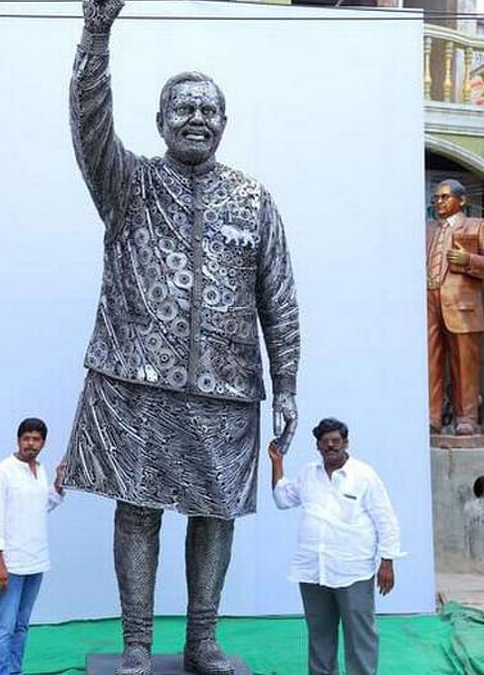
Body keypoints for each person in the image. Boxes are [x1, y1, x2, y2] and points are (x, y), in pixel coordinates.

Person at [59, 1, 302, 673]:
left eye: (208, 109)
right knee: (138, 510)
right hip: (136, 383)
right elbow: (88, 121)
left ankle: (202, 640)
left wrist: (286, 384)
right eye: (183, 108)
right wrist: (96, 33)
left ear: (224, 122)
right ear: (160, 121)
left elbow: (277, 297)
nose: (197, 118)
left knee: (215, 512)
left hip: (226, 391)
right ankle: (137, 640)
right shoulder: (128, 183)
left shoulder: (253, 200)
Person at [269, 418, 402, 675]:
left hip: (352, 570)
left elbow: (386, 519)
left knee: (360, 637)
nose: (331, 446)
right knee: (320, 635)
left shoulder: (364, 476)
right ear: (318, 446)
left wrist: (387, 562)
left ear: (345, 443)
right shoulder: (309, 473)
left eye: (336, 441)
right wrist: (277, 464)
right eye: (325, 442)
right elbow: (283, 498)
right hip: (313, 571)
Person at [0, 418, 66, 675]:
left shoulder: (39, 470)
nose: (31, 443)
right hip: (9, 565)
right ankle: (0, 672)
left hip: (35, 561)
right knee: (4, 626)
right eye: (26, 438)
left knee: (21, 625)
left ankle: (14, 671)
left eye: (36, 439)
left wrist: (59, 482)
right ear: (18, 440)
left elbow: (42, 506)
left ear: (43, 442)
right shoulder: (1, 473)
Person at [425, 178, 484, 436]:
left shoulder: (478, 226)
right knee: (430, 361)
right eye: (436, 198)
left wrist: (469, 260)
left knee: (464, 363)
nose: (439, 202)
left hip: (462, 305)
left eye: (445, 197)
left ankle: (466, 418)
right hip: (429, 299)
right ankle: (432, 417)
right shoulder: (428, 229)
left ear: (462, 200)